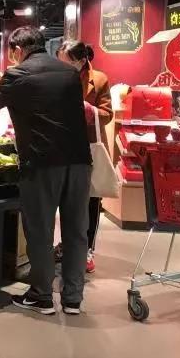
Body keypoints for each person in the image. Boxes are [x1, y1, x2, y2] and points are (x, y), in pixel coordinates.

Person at [0, 26, 92, 315]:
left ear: (18, 50)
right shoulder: (69, 73)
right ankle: (72, 299)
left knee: (40, 230)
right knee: (76, 231)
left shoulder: (18, 74)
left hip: (43, 162)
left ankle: (42, 295)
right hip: (80, 161)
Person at [55, 40, 113, 274]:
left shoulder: (98, 79)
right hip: (63, 145)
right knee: (66, 199)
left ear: (81, 61)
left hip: (89, 146)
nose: (62, 67)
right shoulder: (57, 78)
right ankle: (67, 244)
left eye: (67, 63)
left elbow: (107, 114)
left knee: (91, 200)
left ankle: (88, 248)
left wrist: (86, 109)